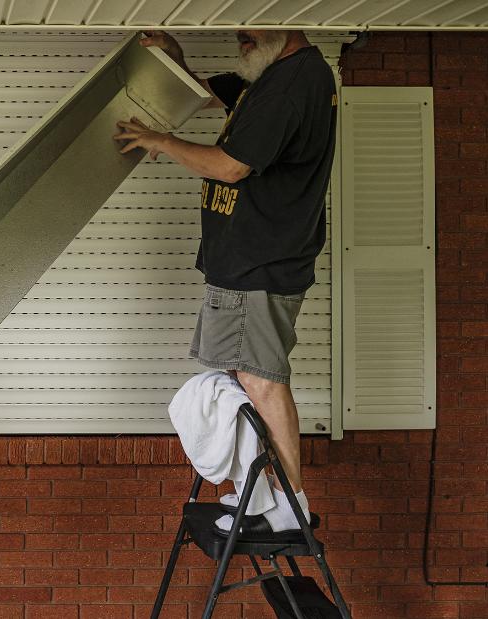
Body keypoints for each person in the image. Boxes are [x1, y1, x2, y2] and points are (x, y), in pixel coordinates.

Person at [114, 30, 337, 536]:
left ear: (286, 24)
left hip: (259, 262)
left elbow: (231, 166)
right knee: (243, 379)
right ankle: (260, 493)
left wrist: (160, 140)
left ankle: (289, 503)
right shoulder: (273, 77)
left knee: (261, 378)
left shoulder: (289, 86)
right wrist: (176, 60)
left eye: (251, 28)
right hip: (246, 259)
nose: (241, 35)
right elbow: (213, 95)